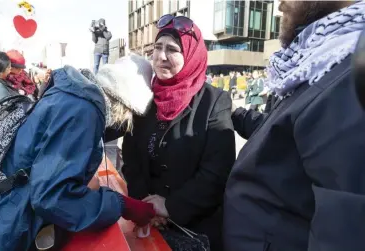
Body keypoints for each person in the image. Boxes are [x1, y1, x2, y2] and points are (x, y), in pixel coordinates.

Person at [0, 55, 157, 251]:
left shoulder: (69, 95)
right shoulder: (83, 111)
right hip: (0, 229)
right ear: (126, 105)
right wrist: (120, 204)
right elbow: (53, 197)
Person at [224, 1, 365, 251]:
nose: (280, 4)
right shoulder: (319, 61)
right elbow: (282, 137)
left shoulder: (350, 74)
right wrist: (238, 115)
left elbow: (345, 232)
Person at [121, 15, 235, 251]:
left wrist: (171, 206)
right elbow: (130, 158)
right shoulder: (143, 98)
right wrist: (146, 207)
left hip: (195, 230)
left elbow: (217, 171)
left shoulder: (214, 102)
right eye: (157, 47)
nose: (161, 57)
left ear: (191, 55)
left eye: (172, 49)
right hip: (149, 226)